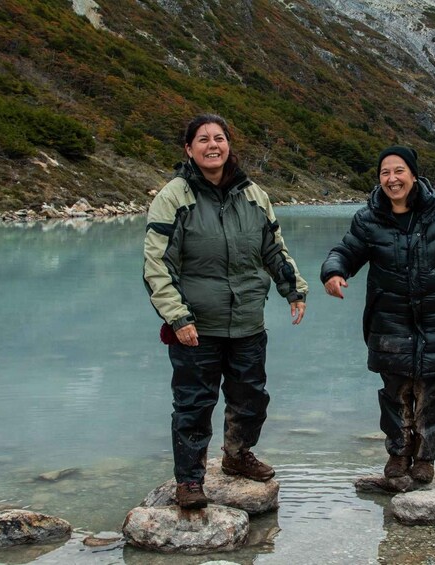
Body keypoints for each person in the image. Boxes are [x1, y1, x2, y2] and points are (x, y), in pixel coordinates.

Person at [143, 114, 308, 509]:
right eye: (203, 139)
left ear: (229, 145)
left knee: (251, 398)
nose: (212, 145)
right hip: (196, 327)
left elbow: (273, 249)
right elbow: (157, 265)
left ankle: (237, 456)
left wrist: (293, 289)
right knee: (194, 404)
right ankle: (190, 480)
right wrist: (177, 317)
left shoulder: (254, 195)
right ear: (188, 149)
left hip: (248, 320)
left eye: (219, 138)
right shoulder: (174, 196)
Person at [321, 146, 435, 483]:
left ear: (413, 175)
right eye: (385, 173)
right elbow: (345, 250)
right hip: (390, 320)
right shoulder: (368, 219)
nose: (392, 179)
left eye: (398, 171)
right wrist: (333, 271)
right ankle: (398, 453)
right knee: (394, 392)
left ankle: (426, 458)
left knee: (432, 393)